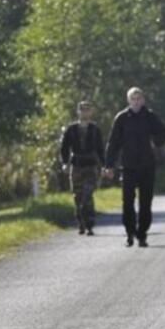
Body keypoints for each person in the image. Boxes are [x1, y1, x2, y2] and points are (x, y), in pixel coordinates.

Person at [103, 87, 165, 248]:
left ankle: (142, 234)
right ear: (129, 100)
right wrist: (109, 165)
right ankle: (130, 233)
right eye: (133, 99)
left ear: (143, 100)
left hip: (147, 166)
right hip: (128, 166)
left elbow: (163, 131)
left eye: (139, 98)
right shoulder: (122, 118)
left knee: (145, 203)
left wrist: (157, 141)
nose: (136, 101)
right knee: (127, 202)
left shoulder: (150, 116)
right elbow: (113, 143)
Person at [60, 101, 104, 236]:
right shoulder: (71, 129)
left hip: (90, 166)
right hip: (76, 166)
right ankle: (81, 223)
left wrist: (104, 165)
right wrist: (65, 163)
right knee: (77, 197)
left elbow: (101, 149)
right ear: (78, 112)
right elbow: (64, 148)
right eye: (82, 110)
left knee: (87, 196)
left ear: (91, 112)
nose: (85, 112)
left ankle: (90, 224)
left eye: (87, 110)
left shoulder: (95, 129)